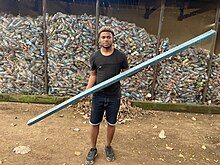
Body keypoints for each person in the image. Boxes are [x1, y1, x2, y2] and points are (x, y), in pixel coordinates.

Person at [85, 26, 129, 165]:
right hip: (98, 96)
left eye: (108, 37)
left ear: (112, 39)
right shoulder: (95, 57)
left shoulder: (121, 56)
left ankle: (108, 146)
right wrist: (88, 89)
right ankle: (93, 149)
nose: (106, 39)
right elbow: (93, 75)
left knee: (111, 123)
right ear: (99, 40)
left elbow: (126, 72)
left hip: (114, 96)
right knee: (94, 123)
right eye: (103, 37)